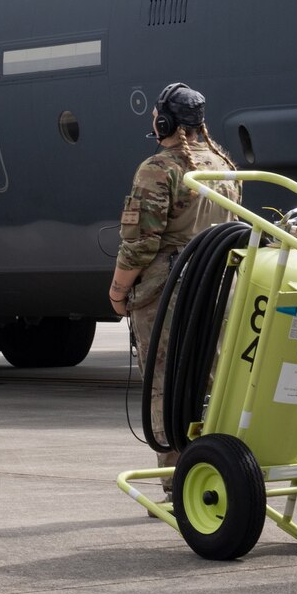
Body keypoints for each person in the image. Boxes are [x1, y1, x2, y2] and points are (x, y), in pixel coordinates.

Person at [109, 83, 241, 471]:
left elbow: (139, 245)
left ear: (165, 121)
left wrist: (118, 292)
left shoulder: (159, 169)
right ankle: (213, 468)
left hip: (170, 289)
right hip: (217, 285)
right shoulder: (225, 167)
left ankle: (174, 477)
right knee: (211, 379)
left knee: (165, 383)